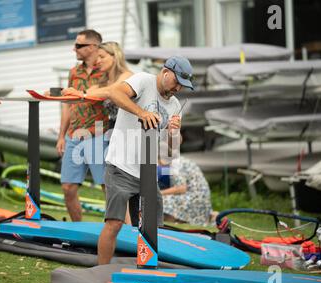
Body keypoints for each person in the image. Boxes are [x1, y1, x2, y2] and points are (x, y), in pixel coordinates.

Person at [96, 56, 195, 265]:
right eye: (177, 81)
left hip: (147, 173)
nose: (178, 88)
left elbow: (172, 148)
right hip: (121, 166)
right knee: (114, 224)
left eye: (182, 85)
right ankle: (100, 273)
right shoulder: (142, 80)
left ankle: (145, 270)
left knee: (152, 228)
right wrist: (141, 112)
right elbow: (114, 92)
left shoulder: (175, 104)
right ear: (165, 71)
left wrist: (173, 132)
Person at [62, 41, 134, 223]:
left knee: (121, 186)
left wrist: (82, 94)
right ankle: (122, 228)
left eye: (102, 57)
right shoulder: (103, 80)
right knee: (112, 185)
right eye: (98, 57)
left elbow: (110, 92)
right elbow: (90, 92)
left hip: (130, 134)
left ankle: (131, 229)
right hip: (113, 134)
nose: (98, 61)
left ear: (115, 56)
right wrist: (71, 92)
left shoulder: (127, 76)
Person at [56, 29, 108, 222]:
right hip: (74, 136)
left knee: (107, 187)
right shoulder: (74, 72)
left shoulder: (106, 71)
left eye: (79, 45)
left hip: (99, 134)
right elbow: (68, 104)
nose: (74, 49)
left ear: (93, 47)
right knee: (68, 187)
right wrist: (61, 136)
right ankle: (79, 231)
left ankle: (116, 230)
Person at [160, 156, 213, 226]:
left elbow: (181, 188)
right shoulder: (180, 161)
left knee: (162, 200)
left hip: (195, 198)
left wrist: (159, 193)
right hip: (202, 199)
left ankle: (172, 221)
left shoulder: (175, 165)